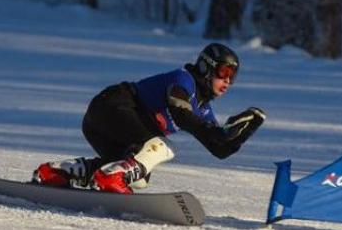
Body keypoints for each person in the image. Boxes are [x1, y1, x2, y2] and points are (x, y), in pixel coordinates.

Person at [32, 43, 266, 194]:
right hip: (112, 107)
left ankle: (59, 171)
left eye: (233, 77)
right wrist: (216, 131)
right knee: (162, 147)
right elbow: (180, 114)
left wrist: (241, 133)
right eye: (224, 73)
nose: (228, 81)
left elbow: (219, 150)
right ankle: (107, 179)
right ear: (206, 67)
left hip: (108, 124)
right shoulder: (183, 80)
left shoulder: (203, 110)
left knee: (138, 179)